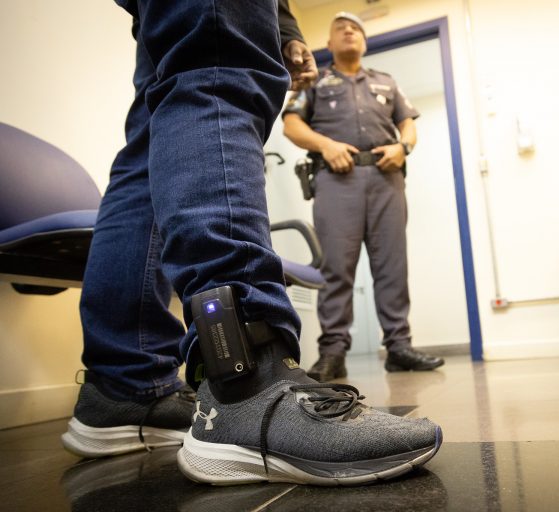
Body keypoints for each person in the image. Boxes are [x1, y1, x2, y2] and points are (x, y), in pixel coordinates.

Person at [61, 0, 441, 486]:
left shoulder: (385, 82)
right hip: (338, 178)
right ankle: (244, 382)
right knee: (218, 67)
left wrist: (282, 24)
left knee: (150, 144)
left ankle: (125, 385)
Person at [282, 12, 445, 382]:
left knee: (392, 266)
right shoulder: (314, 81)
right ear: (329, 42)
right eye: (340, 28)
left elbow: (407, 125)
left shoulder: (386, 82)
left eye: (355, 28)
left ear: (365, 41)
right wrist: (326, 146)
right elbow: (291, 125)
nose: (349, 31)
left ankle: (399, 347)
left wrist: (403, 147)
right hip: (336, 180)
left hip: (387, 179)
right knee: (335, 268)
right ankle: (333, 352)